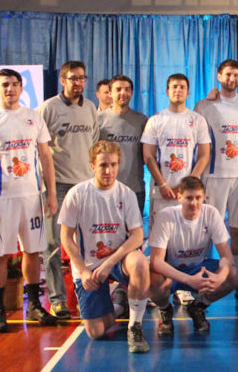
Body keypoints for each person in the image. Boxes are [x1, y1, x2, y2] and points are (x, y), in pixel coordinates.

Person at [0, 68, 59, 332]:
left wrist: (52, 193)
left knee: (33, 252)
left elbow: (46, 157)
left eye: (14, 84)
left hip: (32, 197)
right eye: (5, 84)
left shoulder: (33, 117)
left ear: (21, 88)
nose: (10, 89)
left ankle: (34, 306)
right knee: (0, 254)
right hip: (2, 199)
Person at [58, 140, 150, 352]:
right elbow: (66, 236)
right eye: (103, 165)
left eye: (113, 165)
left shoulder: (126, 194)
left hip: (118, 261)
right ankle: (119, 303)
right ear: (92, 166)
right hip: (89, 266)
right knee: (96, 332)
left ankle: (134, 326)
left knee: (140, 263)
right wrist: (82, 271)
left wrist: (109, 263)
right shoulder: (77, 194)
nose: (109, 171)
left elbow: (137, 236)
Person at [38, 60, 99, 320]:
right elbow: (39, 149)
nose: (78, 83)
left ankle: (88, 293)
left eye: (82, 78)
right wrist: (49, 189)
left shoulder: (91, 108)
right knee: (52, 244)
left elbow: (94, 144)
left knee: (88, 244)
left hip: (85, 186)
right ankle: (57, 300)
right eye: (73, 78)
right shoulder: (48, 108)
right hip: (58, 187)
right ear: (63, 80)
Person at [194, 60, 238, 300]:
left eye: (236, 75)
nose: (232, 79)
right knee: (207, 231)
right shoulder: (204, 105)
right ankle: (200, 279)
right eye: (228, 74)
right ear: (219, 76)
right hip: (214, 176)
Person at [149, 176, 238, 334]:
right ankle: (165, 309)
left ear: (204, 197)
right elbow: (156, 261)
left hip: (198, 268)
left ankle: (198, 306)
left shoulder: (211, 213)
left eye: (198, 198)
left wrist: (220, 277)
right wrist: (188, 280)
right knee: (152, 280)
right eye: (189, 198)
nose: (194, 203)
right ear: (179, 197)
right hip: (172, 270)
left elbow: (226, 256)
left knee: (233, 275)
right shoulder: (166, 216)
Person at [142, 73, 210, 229]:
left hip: (189, 193)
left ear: (188, 93)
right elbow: (148, 156)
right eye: (174, 87)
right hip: (162, 192)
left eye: (182, 87)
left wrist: (187, 184)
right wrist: (162, 184)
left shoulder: (198, 120)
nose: (178, 90)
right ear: (167, 92)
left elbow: (204, 156)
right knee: (161, 236)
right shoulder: (155, 120)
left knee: (188, 235)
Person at [97, 75, 148, 214]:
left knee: (134, 228)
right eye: (118, 89)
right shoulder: (98, 120)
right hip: (105, 190)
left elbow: (147, 155)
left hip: (135, 190)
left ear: (132, 93)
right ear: (110, 93)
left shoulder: (141, 120)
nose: (123, 93)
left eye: (127, 89)